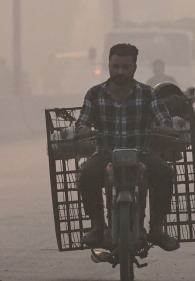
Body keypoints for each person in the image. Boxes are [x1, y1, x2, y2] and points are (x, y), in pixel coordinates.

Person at [75, 43, 180, 251]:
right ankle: (97, 227)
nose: (120, 71)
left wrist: (165, 127)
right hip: (105, 153)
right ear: (108, 65)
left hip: (142, 153)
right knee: (86, 175)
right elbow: (82, 122)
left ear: (134, 67)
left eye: (125, 66)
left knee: (166, 174)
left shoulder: (147, 93)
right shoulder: (94, 94)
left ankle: (157, 230)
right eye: (116, 66)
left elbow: (162, 117)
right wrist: (82, 130)